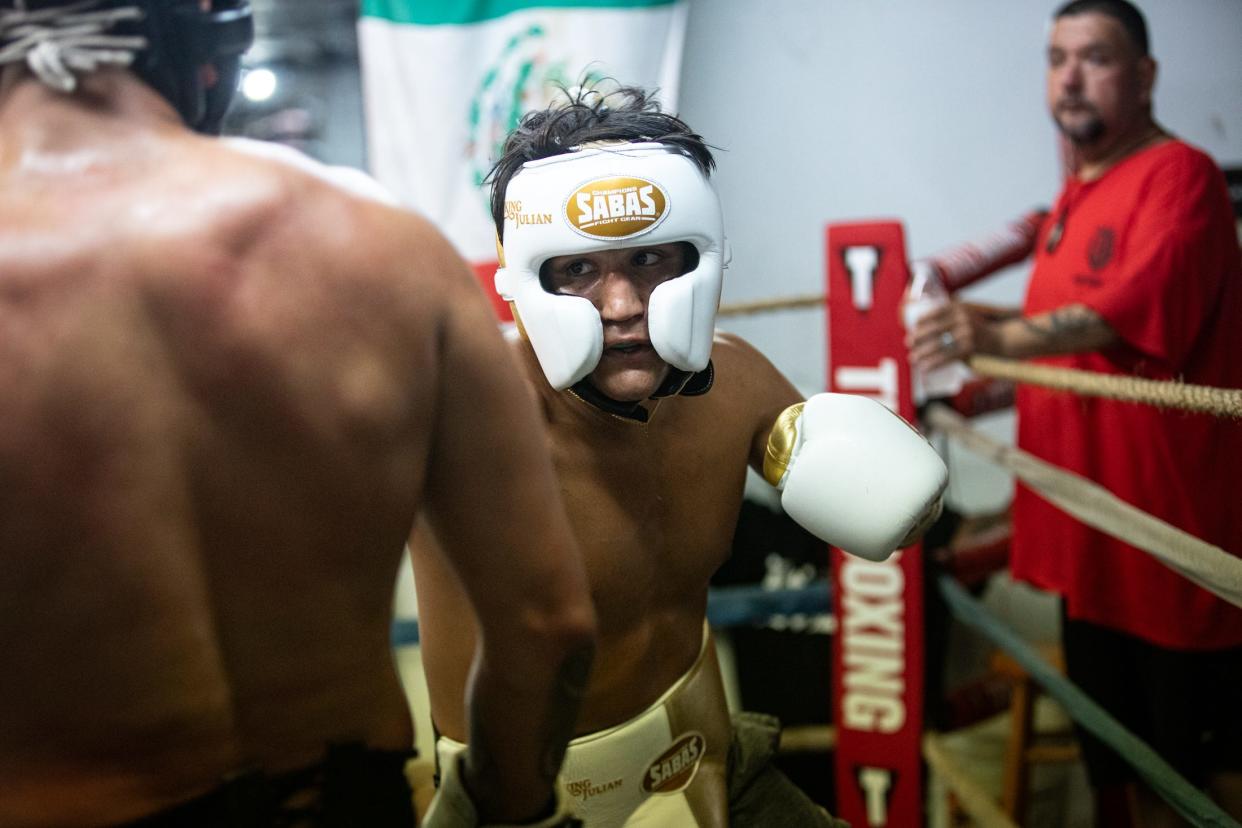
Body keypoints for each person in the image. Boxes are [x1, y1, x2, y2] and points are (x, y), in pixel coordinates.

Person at [0, 2, 596, 826]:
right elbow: (548, 623)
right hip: (346, 800)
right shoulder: (385, 248)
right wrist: (508, 805)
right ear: (210, 48)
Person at [409, 85, 948, 828]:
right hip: (516, 808)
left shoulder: (740, 384)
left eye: (651, 259)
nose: (624, 304)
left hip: (708, 768)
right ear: (522, 278)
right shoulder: (457, 417)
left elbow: (882, 498)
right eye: (579, 270)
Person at [908, 1, 1242, 824]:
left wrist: (999, 333)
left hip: (1165, 547)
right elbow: (1072, 320)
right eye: (1057, 57)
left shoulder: (1180, 174)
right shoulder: (1074, 195)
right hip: (1090, 546)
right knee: (1117, 781)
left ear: (1145, 75)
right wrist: (958, 328)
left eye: (1094, 56)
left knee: (1194, 788)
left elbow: (1126, 306)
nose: (1069, 75)